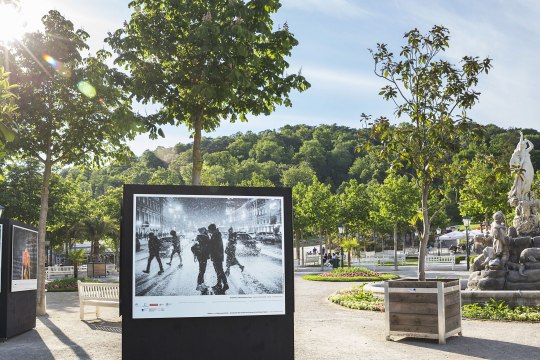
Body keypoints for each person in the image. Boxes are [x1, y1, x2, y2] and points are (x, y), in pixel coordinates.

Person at [208, 223, 229, 292]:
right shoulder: (215, 234)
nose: (209, 231)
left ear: (212, 229)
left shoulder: (216, 235)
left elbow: (216, 246)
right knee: (218, 271)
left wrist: (209, 244)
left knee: (220, 270)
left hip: (217, 256)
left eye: (209, 230)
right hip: (216, 255)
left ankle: (225, 284)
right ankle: (219, 284)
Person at [192, 227, 210, 292]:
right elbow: (208, 246)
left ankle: (202, 284)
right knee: (202, 271)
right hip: (203, 256)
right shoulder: (203, 237)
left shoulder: (199, 237)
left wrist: (197, 253)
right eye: (205, 230)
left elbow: (194, 246)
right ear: (203, 231)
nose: (206, 231)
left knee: (202, 270)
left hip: (201, 256)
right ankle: (198, 285)